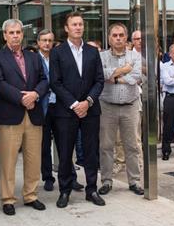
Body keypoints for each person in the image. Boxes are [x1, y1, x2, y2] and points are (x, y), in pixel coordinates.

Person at [0, 19, 48, 216]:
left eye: (18, 32)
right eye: (11, 32)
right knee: (8, 159)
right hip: (10, 115)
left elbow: (44, 80)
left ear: (22, 34)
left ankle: (31, 195)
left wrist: (36, 95)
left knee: (33, 158)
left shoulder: (33, 57)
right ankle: (8, 198)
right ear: (4, 35)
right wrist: (22, 98)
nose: (15, 36)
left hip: (33, 114)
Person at [49, 12, 105, 208]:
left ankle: (92, 190)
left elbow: (99, 80)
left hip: (90, 110)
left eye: (80, 24)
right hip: (66, 111)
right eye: (74, 24)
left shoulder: (92, 51)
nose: (78, 27)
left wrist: (87, 102)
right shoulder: (57, 52)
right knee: (65, 153)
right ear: (66, 28)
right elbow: (55, 82)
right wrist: (74, 104)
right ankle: (64, 191)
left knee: (91, 152)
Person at [97, 23, 144, 196]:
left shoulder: (135, 56)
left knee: (132, 146)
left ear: (126, 38)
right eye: (114, 35)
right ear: (109, 38)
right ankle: (107, 181)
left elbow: (136, 76)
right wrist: (124, 70)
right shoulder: (101, 57)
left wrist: (115, 77)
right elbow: (101, 75)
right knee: (106, 146)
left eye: (121, 35)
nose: (118, 38)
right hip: (107, 106)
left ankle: (134, 181)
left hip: (130, 106)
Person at [36, 29, 83, 192]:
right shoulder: (34, 59)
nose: (47, 43)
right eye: (44, 40)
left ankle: (70, 177)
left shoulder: (60, 57)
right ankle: (48, 177)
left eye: (50, 40)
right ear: (38, 43)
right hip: (42, 107)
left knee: (65, 143)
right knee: (44, 145)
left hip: (61, 106)